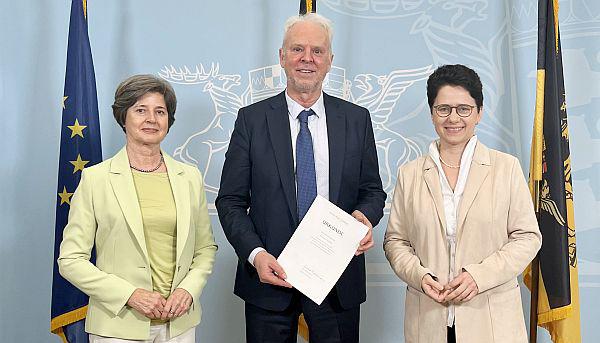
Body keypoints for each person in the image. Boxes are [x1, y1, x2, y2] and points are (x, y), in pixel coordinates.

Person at [216, 13, 386, 343]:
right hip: (269, 281)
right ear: (282, 57)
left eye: (317, 51)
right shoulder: (251, 121)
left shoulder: (356, 119)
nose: (307, 58)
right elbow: (231, 201)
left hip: (337, 282)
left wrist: (364, 218)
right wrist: (256, 256)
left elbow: (372, 191)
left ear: (330, 61)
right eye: (297, 49)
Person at [383, 64, 542, 343]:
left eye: (463, 109)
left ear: (479, 113)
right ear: (432, 113)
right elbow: (396, 241)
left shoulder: (506, 168)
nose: (453, 118)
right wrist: (420, 276)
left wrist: (478, 276)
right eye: (443, 109)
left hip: (492, 322)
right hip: (428, 320)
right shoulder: (410, 174)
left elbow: (528, 237)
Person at [58, 75, 217, 343]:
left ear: (169, 120)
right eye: (140, 110)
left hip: (179, 325)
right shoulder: (96, 179)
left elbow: (205, 249)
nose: (151, 119)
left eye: (160, 112)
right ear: (123, 117)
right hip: (117, 327)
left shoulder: (189, 177)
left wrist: (188, 291)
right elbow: (71, 260)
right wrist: (130, 295)